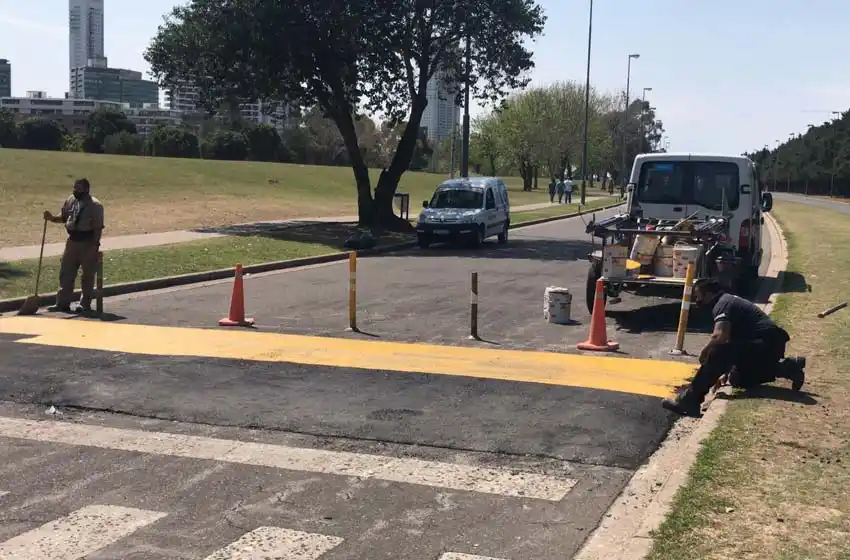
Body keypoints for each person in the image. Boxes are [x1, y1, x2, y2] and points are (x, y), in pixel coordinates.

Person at [662, 279, 806, 417]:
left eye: (698, 296)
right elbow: (734, 341)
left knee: (718, 352)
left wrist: (705, 352)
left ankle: (690, 400)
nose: (697, 301)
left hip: (766, 342)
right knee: (738, 379)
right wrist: (723, 371)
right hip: (768, 345)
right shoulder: (727, 300)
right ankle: (788, 368)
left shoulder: (722, 304)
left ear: (708, 293)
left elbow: (720, 336)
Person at [43, 178, 105, 313]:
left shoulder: (95, 206)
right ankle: (62, 303)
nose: (75, 191)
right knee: (66, 272)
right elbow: (64, 217)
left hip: (88, 242)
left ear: (87, 190)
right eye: (75, 188)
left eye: (79, 189)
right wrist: (52, 218)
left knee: (87, 275)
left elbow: (98, 228)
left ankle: (84, 304)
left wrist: (94, 246)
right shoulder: (71, 200)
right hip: (72, 241)